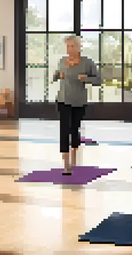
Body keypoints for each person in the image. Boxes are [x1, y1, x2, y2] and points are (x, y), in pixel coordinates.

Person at [52, 35, 101, 176]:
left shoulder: (87, 63)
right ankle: (66, 165)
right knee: (64, 130)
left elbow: (98, 80)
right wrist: (58, 76)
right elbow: (55, 75)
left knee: (74, 130)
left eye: (72, 46)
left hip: (79, 102)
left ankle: (74, 153)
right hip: (62, 100)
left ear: (79, 47)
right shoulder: (62, 61)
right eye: (67, 46)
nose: (69, 49)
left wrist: (86, 78)